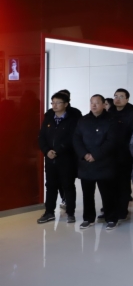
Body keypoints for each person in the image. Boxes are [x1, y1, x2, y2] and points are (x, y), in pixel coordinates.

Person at [73, 95, 118, 230]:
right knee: (87, 194)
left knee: (107, 194)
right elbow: (76, 139)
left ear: (104, 104)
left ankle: (111, 218)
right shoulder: (83, 120)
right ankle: (88, 218)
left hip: (104, 163)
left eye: (97, 103)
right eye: (92, 103)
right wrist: (84, 154)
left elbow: (111, 141)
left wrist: (96, 155)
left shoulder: (111, 120)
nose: (94, 105)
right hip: (86, 164)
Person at [37, 92, 79, 224]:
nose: (54, 105)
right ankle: (49, 212)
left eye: (58, 103)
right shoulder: (49, 117)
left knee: (68, 185)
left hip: (66, 158)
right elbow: (42, 137)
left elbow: (73, 138)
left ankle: (70, 213)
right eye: (53, 102)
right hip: (50, 158)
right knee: (50, 186)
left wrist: (58, 150)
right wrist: (46, 151)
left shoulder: (72, 118)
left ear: (66, 104)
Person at [108, 88, 133, 221]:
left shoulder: (132, 115)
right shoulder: (109, 113)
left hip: (124, 155)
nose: (117, 99)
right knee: (110, 183)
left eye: (121, 96)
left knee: (123, 183)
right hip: (109, 154)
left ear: (127, 99)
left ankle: (122, 210)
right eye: (116, 96)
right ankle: (110, 209)